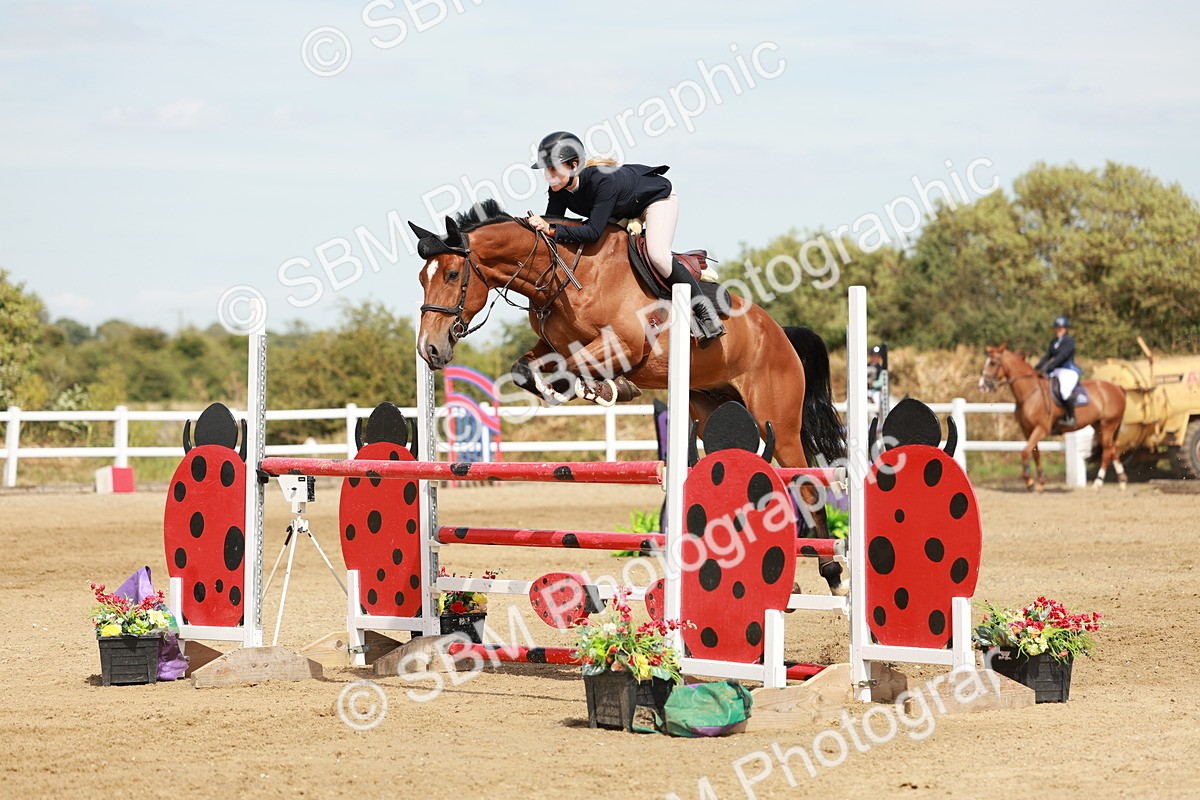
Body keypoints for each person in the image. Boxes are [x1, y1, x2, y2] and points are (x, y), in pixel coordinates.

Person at [525, 131, 725, 345]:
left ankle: (705, 311)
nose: (548, 175)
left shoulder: (601, 180)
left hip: (656, 200)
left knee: (657, 255)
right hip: (621, 209)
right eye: (546, 169)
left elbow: (591, 232)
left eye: (553, 168)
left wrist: (551, 229)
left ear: (574, 165)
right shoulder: (558, 189)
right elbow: (554, 225)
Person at [1034, 315, 1082, 426]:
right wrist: (1037, 368)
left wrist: (1049, 367)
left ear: (1066, 329)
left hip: (1067, 370)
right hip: (1055, 370)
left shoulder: (1069, 340)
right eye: (1057, 328)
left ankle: (1071, 418)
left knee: (1064, 392)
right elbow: (1047, 356)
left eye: (1061, 328)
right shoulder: (1054, 341)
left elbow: (1062, 356)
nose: (1059, 330)